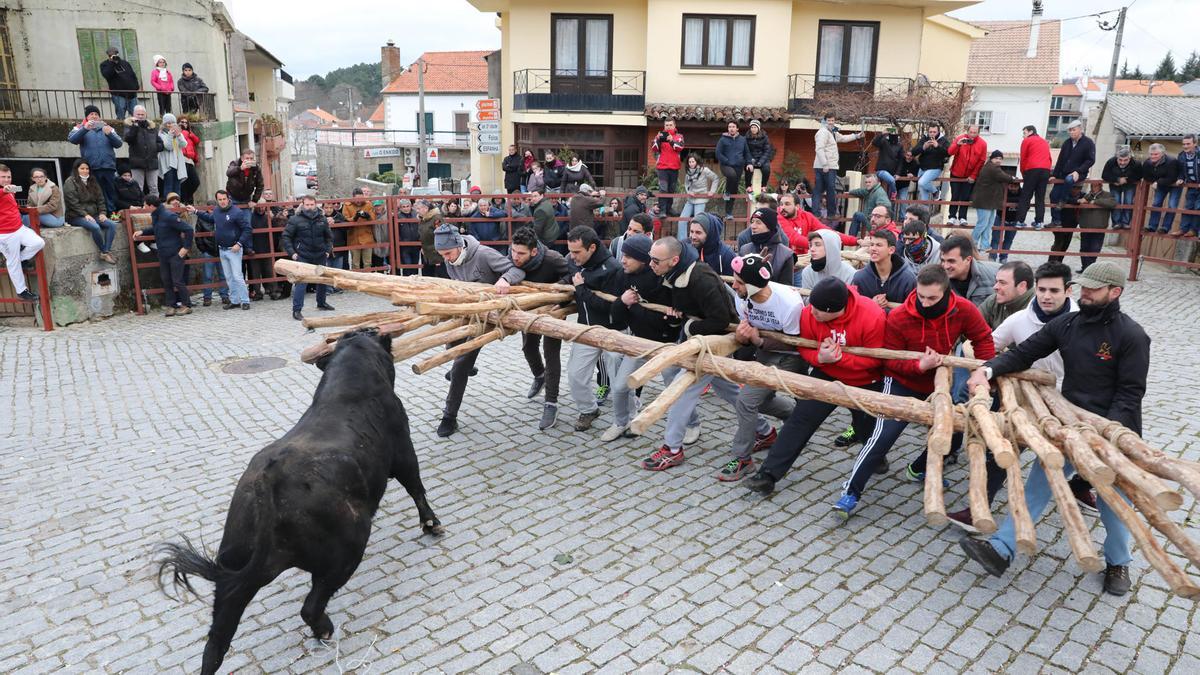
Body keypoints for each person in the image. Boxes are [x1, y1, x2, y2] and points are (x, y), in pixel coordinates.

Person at [960, 261, 1148, 597]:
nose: (1085, 293)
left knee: (1114, 503)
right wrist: (987, 372)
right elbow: (1023, 353)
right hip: (1066, 422)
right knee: (1038, 486)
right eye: (1084, 287)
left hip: (1114, 431)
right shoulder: (1068, 324)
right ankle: (1003, 549)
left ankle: (1118, 562)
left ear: (1114, 292)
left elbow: (1130, 393)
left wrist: (1106, 433)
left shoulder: (1132, 336)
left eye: (1093, 289)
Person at [832, 264, 994, 517]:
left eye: (933, 298)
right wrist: (920, 365)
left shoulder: (963, 309)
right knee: (882, 436)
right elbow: (890, 360)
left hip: (939, 383)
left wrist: (982, 372)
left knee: (950, 432)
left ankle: (919, 469)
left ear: (947, 292)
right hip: (901, 381)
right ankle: (851, 491)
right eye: (921, 296)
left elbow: (983, 337)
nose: (926, 303)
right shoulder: (899, 317)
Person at [745, 277, 887, 494]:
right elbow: (803, 346)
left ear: (835, 310)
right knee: (800, 420)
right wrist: (820, 359)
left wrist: (838, 359)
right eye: (812, 307)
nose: (812, 313)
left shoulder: (872, 315)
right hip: (826, 374)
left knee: (866, 425)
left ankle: (876, 457)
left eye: (819, 311)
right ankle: (768, 474)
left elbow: (876, 359)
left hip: (865, 379)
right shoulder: (808, 313)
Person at [640, 236, 740, 470]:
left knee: (681, 390)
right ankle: (764, 431)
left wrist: (688, 326)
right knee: (729, 390)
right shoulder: (671, 273)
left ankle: (672, 448)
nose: (651, 264)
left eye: (656, 260)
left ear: (674, 260)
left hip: (715, 341)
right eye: (650, 259)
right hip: (698, 339)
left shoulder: (701, 277)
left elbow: (720, 319)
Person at [717, 253, 807, 481]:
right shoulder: (742, 296)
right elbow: (747, 328)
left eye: (738, 281)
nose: (733, 285)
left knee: (746, 401)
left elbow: (793, 341)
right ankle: (795, 414)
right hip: (765, 352)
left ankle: (743, 459)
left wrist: (757, 340)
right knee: (760, 400)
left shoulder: (789, 303)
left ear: (753, 286)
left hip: (790, 357)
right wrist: (744, 335)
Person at [433, 223, 525, 437]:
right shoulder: (450, 262)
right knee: (450, 343)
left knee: (460, 364)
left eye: (447, 253)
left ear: (459, 245)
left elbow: (516, 269)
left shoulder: (483, 254)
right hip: (470, 311)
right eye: (442, 254)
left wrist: (505, 279)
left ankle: (449, 416)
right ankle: (466, 367)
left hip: (491, 315)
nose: (446, 258)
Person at [603, 233, 681, 441]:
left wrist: (670, 319)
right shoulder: (622, 276)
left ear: (643, 259)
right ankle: (622, 422)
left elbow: (668, 321)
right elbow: (618, 319)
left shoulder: (660, 278)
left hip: (666, 344)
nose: (622, 259)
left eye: (629, 256)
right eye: (623, 254)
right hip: (638, 342)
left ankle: (691, 424)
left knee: (675, 390)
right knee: (620, 387)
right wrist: (622, 302)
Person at [561, 226, 620, 432]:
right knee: (576, 374)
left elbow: (612, 306)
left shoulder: (613, 268)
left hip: (613, 330)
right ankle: (588, 409)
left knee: (619, 378)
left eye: (577, 252)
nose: (572, 256)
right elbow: (567, 281)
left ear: (592, 248)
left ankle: (627, 417)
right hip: (585, 328)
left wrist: (581, 289)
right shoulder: (573, 261)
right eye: (570, 250)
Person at [509, 226, 569, 430]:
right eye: (513, 251)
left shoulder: (553, 258)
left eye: (521, 253)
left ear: (534, 251)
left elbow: (572, 275)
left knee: (551, 355)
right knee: (528, 348)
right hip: (529, 314)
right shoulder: (511, 257)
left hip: (554, 313)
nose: (515, 257)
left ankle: (551, 402)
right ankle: (539, 376)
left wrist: (556, 292)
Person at [190, 190, 252, 310]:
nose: (222, 202)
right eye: (220, 200)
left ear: (228, 198)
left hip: (234, 249)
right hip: (222, 249)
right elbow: (209, 218)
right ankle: (234, 301)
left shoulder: (236, 212)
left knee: (237, 276)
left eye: (224, 199)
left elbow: (247, 229)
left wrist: (239, 244)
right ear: (217, 200)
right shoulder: (217, 211)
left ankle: (245, 300)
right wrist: (196, 211)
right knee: (228, 277)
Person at [134, 194, 193, 315]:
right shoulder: (156, 215)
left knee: (177, 280)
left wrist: (186, 248)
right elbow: (156, 228)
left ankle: (186, 304)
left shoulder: (169, 216)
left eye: (145, 205)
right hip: (163, 253)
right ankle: (171, 305)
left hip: (175, 253)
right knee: (166, 280)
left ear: (151, 206)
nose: (143, 207)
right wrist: (142, 231)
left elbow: (189, 229)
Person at [282, 194, 335, 320]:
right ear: (303, 205)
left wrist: (327, 250)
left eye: (312, 205)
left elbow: (329, 237)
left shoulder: (322, 219)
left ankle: (321, 303)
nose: (310, 207)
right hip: (303, 255)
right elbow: (286, 237)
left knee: (322, 280)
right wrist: (293, 253)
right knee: (301, 283)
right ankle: (297, 310)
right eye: (307, 205)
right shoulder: (295, 219)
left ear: (315, 204)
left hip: (320, 254)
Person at [0, 164, 46, 302]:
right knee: (12, 262)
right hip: (4, 234)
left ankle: (21, 259)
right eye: (3, 177)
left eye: (8, 176)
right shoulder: (5, 190)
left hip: (19, 228)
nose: (7, 180)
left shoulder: (10, 190)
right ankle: (22, 291)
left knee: (39, 242)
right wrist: (5, 190)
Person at [67, 105, 122, 212]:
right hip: (91, 167)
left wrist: (110, 134)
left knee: (111, 192)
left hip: (108, 166)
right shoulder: (79, 127)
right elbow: (72, 139)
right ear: (87, 117)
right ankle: (100, 214)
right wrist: (85, 129)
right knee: (96, 193)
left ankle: (112, 213)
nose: (94, 116)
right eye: (91, 114)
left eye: (96, 114)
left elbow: (119, 143)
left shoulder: (107, 127)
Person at [63, 159, 117, 263]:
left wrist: (102, 213)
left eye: (87, 168)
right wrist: (85, 214)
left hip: (94, 214)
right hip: (76, 215)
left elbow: (101, 199)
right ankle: (104, 251)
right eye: (82, 168)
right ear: (76, 169)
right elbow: (72, 203)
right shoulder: (70, 182)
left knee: (112, 225)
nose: (85, 171)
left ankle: (105, 252)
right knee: (95, 227)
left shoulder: (93, 180)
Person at [813, 113, 864, 219]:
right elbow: (819, 149)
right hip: (826, 166)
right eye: (829, 120)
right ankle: (829, 214)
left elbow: (843, 138)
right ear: (824, 121)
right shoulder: (823, 132)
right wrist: (825, 164)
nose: (831, 122)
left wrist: (857, 136)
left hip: (826, 165)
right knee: (828, 189)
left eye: (832, 120)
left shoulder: (832, 132)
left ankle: (820, 213)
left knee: (821, 189)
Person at [851, 229, 916, 310]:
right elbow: (853, 307)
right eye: (871, 244)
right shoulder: (860, 278)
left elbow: (914, 308)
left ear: (891, 250)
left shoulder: (908, 278)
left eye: (878, 245)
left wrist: (888, 304)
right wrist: (871, 303)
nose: (873, 249)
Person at [970, 150, 1019, 254]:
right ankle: (971, 244)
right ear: (991, 159)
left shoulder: (992, 167)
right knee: (982, 223)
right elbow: (1004, 177)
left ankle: (984, 245)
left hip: (989, 201)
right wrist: (1013, 178)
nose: (998, 160)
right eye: (996, 158)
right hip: (984, 201)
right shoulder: (992, 168)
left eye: (1000, 159)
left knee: (989, 223)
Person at [777, 192, 856, 257]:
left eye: (787, 204)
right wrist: (821, 246)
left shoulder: (806, 216)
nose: (782, 207)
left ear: (797, 207)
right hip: (787, 262)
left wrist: (856, 241)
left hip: (804, 259)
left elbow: (828, 232)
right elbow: (794, 239)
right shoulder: (778, 217)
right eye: (781, 204)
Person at [1049, 121, 1096, 227]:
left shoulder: (1088, 143)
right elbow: (1060, 160)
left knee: (1069, 180)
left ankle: (1063, 200)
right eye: (1070, 130)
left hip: (1079, 173)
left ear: (1080, 129)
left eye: (1074, 130)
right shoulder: (1067, 143)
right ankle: (1056, 220)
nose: (1071, 132)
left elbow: (1091, 160)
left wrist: (1078, 171)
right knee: (1053, 195)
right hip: (1063, 173)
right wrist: (1055, 174)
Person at [191, 195, 229, 307]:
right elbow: (198, 236)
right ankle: (207, 297)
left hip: (221, 249)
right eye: (210, 208)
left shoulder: (221, 217)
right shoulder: (202, 219)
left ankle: (224, 296)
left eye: (214, 207)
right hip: (208, 251)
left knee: (223, 274)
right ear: (207, 208)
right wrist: (203, 249)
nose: (212, 209)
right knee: (207, 275)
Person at [738, 207, 794, 284]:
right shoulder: (744, 250)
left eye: (758, 222)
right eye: (752, 222)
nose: (753, 226)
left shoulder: (786, 254)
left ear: (769, 226)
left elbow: (786, 287)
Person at [946, 125, 988, 226]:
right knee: (955, 195)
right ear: (967, 131)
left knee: (966, 196)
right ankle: (952, 216)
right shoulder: (960, 139)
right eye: (971, 132)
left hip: (970, 175)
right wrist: (958, 145)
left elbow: (981, 161)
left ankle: (962, 217)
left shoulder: (983, 144)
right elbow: (950, 152)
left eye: (975, 133)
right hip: (956, 172)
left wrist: (974, 175)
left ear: (978, 133)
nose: (972, 135)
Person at [939, 235, 997, 307]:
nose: (945, 266)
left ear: (968, 260)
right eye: (943, 260)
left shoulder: (994, 276)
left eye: (951, 261)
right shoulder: (938, 280)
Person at [1014, 125, 1053, 230]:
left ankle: (1020, 221)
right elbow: (1049, 158)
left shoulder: (1027, 141)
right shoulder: (1044, 142)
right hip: (1045, 170)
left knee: (1026, 196)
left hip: (1032, 169)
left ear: (1031, 131)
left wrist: (1023, 173)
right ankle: (1039, 222)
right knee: (1040, 197)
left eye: (1024, 132)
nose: (1023, 135)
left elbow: (1023, 158)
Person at [1140, 143, 1180, 235]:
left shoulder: (1172, 161)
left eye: (1156, 154)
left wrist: (1158, 182)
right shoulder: (1147, 163)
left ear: (1162, 154)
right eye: (1151, 154)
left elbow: (1172, 178)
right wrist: (1157, 182)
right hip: (1161, 185)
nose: (1153, 156)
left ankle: (1165, 227)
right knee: (1156, 203)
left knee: (1172, 205)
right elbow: (1146, 176)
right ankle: (1152, 226)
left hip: (1174, 185)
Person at [123, 105, 163, 198]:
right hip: (137, 162)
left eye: (142, 114)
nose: (140, 116)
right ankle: (139, 206)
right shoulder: (129, 125)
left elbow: (160, 143)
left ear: (145, 115)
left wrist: (154, 147)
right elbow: (128, 138)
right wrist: (135, 127)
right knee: (138, 187)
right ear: (134, 114)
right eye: (138, 114)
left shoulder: (152, 126)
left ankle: (155, 206)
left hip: (152, 161)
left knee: (154, 187)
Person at [1076, 185, 1116, 271]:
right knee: (1084, 248)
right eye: (1093, 185)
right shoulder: (1087, 195)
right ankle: (1085, 268)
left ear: (1100, 185)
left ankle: (1090, 268)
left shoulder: (1107, 195)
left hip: (1099, 227)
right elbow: (1079, 202)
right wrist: (1081, 201)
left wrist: (1095, 202)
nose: (1095, 187)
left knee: (1095, 249)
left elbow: (1112, 203)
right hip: (1085, 227)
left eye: (1097, 184)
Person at [1101, 147, 1141, 230]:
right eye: (1120, 160)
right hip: (1115, 185)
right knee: (1116, 202)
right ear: (1117, 158)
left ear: (1130, 158)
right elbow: (1104, 175)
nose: (1122, 162)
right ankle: (1116, 223)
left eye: (1125, 160)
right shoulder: (1111, 162)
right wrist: (1117, 179)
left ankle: (1126, 222)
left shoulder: (1136, 163)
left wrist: (1126, 180)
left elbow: (1139, 175)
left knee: (1128, 202)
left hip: (1129, 185)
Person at [717, 121, 751, 218]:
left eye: (733, 127)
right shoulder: (723, 139)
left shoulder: (743, 140)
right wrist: (727, 161)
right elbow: (718, 153)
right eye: (729, 127)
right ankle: (726, 192)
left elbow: (747, 153)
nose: (731, 128)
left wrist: (749, 163)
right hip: (726, 166)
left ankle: (728, 212)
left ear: (737, 129)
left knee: (734, 190)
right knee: (731, 175)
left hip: (738, 167)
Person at [652, 119, 685, 216]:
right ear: (664, 126)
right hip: (662, 167)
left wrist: (671, 141)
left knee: (671, 190)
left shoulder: (679, 136)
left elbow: (680, 148)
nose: (668, 127)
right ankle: (662, 210)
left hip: (674, 167)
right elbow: (654, 148)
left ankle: (668, 209)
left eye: (670, 125)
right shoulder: (660, 135)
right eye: (666, 125)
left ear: (674, 126)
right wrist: (657, 139)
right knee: (663, 189)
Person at [912, 124, 950, 208]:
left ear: (938, 132)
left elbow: (948, 153)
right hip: (922, 168)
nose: (932, 134)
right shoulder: (924, 139)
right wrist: (923, 147)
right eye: (930, 132)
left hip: (935, 168)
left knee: (922, 182)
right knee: (923, 195)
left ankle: (935, 192)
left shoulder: (943, 140)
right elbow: (913, 152)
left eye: (934, 132)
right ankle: (924, 215)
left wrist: (937, 146)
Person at [688, 211, 736, 276]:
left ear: (710, 234)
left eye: (698, 232)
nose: (693, 237)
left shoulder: (727, 255)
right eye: (691, 231)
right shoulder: (687, 251)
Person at [341, 188, 377, 270]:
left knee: (367, 263)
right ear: (353, 197)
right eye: (357, 199)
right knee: (355, 264)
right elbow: (345, 219)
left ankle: (367, 280)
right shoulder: (347, 205)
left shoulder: (368, 204)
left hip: (367, 237)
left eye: (361, 199)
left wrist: (368, 217)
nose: (359, 201)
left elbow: (373, 219)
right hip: (354, 238)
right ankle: (356, 281)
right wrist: (355, 218)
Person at [847, 174, 892, 238]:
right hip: (870, 219)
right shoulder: (870, 190)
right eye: (866, 182)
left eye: (869, 182)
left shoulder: (879, 192)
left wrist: (876, 216)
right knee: (858, 215)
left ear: (875, 182)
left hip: (874, 223)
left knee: (857, 215)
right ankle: (851, 238)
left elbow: (886, 205)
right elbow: (860, 191)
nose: (867, 184)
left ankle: (851, 238)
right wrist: (850, 192)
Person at [99, 47, 139, 119]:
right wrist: (112, 63)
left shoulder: (125, 63)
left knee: (136, 115)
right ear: (108, 55)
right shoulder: (105, 64)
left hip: (132, 93)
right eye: (111, 55)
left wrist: (136, 87)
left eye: (115, 54)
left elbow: (132, 75)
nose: (113, 56)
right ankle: (121, 129)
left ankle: (135, 129)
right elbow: (107, 75)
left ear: (118, 54)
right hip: (118, 94)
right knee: (121, 115)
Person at [680, 154, 718, 227]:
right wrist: (689, 192)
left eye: (693, 161)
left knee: (697, 222)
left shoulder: (704, 170)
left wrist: (712, 191)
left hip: (701, 199)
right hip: (690, 199)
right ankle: (682, 239)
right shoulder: (688, 173)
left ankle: (697, 238)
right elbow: (686, 184)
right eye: (689, 162)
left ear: (697, 162)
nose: (691, 163)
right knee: (682, 221)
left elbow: (715, 178)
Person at [157, 114, 189, 198]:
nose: (170, 125)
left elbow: (184, 144)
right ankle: (169, 205)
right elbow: (168, 146)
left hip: (177, 163)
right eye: (168, 123)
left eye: (172, 123)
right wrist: (170, 135)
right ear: (164, 124)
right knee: (169, 186)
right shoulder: (161, 134)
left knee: (177, 186)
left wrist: (179, 135)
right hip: (168, 164)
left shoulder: (177, 133)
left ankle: (177, 205)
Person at [1176, 134, 1200, 237]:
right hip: (1191, 185)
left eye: (1188, 144)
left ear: (1195, 143)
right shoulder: (1181, 155)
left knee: (1198, 207)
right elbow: (1181, 170)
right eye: (1183, 144)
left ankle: (1193, 230)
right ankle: (1183, 229)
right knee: (1188, 207)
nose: (1185, 146)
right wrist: (1181, 178)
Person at [872, 128, 905, 199]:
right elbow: (874, 143)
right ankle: (894, 192)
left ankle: (890, 205)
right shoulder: (884, 141)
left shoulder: (899, 146)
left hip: (892, 172)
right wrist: (882, 134)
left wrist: (898, 173)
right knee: (891, 180)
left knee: (890, 198)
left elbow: (900, 161)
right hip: (881, 170)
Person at [744, 120, 775, 196]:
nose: (753, 129)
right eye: (752, 127)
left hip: (762, 158)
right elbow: (746, 150)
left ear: (758, 128)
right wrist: (750, 160)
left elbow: (767, 150)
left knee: (766, 169)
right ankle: (748, 186)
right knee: (748, 169)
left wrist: (761, 161)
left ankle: (763, 186)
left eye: (755, 127)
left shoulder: (764, 137)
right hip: (751, 158)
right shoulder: (746, 137)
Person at [177, 117, 202, 204]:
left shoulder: (189, 133)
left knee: (195, 182)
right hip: (183, 159)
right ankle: (185, 201)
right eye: (182, 122)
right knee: (184, 182)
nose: (184, 123)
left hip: (190, 160)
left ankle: (187, 199)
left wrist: (189, 133)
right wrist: (183, 130)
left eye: (185, 122)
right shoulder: (180, 133)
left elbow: (197, 141)